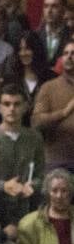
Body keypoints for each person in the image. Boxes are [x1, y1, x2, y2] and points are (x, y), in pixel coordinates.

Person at [17, 169, 74, 244]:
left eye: (64, 191)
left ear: (70, 193)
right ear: (47, 193)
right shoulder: (29, 224)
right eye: (54, 190)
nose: (59, 196)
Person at [0, 84, 43, 200]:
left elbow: (41, 174)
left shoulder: (35, 137)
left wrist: (32, 185)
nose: (12, 109)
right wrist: (3, 186)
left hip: (26, 203)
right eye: (7, 104)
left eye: (17, 104)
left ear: (25, 107)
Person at [31, 40, 74, 173]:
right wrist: (63, 113)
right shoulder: (49, 87)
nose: (69, 56)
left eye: (73, 53)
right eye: (65, 53)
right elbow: (36, 122)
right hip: (57, 161)